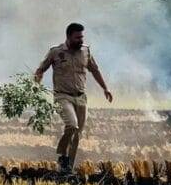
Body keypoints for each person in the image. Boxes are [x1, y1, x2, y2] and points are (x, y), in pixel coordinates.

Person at [35, 23, 113, 173]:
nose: (81, 40)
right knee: (72, 125)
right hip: (62, 96)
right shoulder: (56, 52)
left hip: (81, 97)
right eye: (78, 37)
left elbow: (95, 70)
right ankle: (62, 155)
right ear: (69, 36)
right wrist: (35, 87)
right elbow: (40, 70)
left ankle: (68, 167)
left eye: (82, 37)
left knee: (77, 134)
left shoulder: (86, 51)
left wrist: (105, 88)